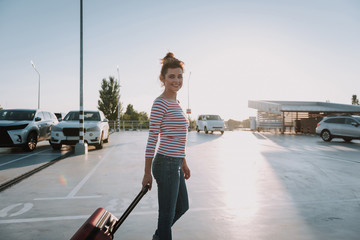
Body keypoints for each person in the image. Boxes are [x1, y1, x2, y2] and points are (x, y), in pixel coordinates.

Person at [142, 52, 191, 240]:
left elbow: (178, 138)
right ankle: (161, 235)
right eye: (172, 76)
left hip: (176, 163)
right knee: (166, 216)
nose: (176, 80)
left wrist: (183, 162)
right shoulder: (159, 103)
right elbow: (152, 139)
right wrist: (147, 173)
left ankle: (158, 236)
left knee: (182, 207)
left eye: (179, 76)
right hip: (165, 164)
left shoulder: (177, 103)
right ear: (162, 79)